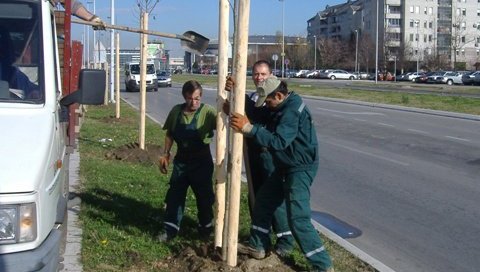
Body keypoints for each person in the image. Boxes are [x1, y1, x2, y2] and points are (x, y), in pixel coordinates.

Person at [230, 76, 334, 272]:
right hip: (285, 166)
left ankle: (322, 264)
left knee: (298, 218)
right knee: (263, 201)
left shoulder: (291, 111)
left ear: (278, 95)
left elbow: (278, 141)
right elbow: (258, 113)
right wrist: (238, 92)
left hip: (300, 169)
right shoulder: (279, 105)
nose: (267, 106)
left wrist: (248, 129)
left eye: (268, 101)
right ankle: (258, 246)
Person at [224, 60, 295, 256]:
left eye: (263, 74)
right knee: (256, 198)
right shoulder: (256, 96)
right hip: (254, 154)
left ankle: (286, 240)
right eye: (256, 74)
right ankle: (260, 237)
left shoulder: (274, 99)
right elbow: (248, 112)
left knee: (274, 200)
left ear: (271, 75)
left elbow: (260, 115)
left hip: (269, 155)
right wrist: (233, 96)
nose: (259, 78)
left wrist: (240, 95)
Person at [158, 80, 217, 241]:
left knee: (204, 197)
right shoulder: (176, 112)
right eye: (191, 98)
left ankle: (206, 228)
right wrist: (166, 154)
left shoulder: (208, 112)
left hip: (202, 162)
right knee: (174, 195)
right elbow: (170, 134)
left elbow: (222, 123)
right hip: (181, 162)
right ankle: (170, 228)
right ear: (185, 97)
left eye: (197, 98)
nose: (194, 102)